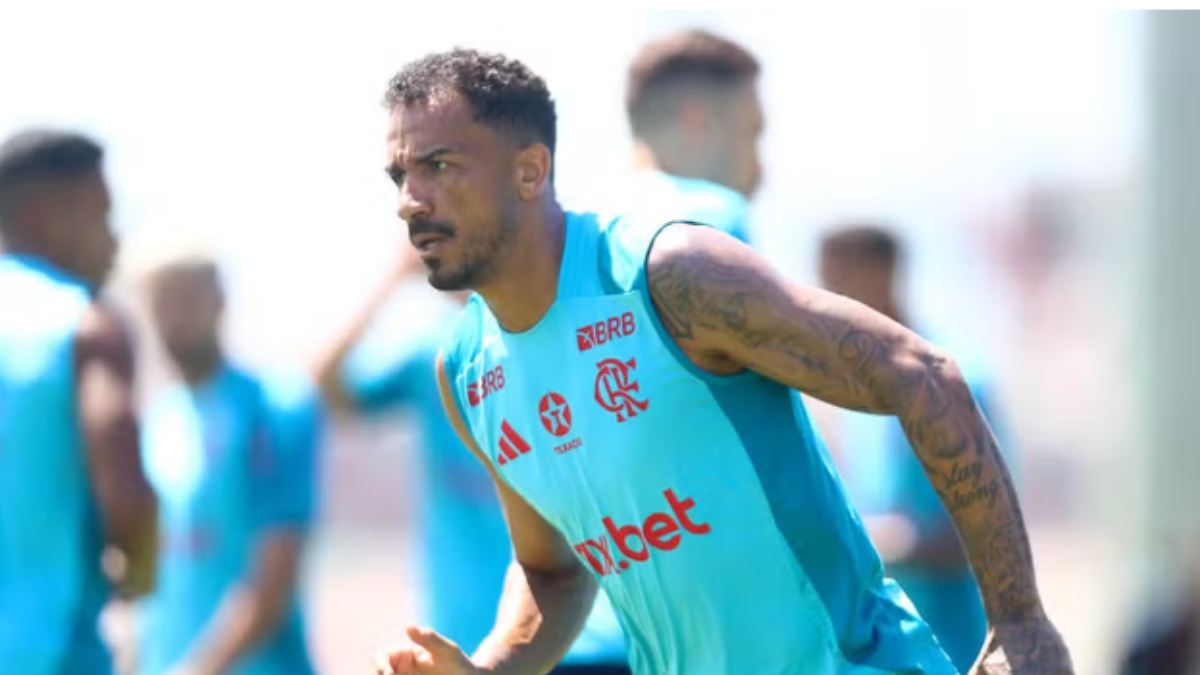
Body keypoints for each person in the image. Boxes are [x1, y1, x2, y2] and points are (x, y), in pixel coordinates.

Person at [372, 48, 1073, 675]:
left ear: (530, 171)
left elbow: (921, 374)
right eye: (400, 174)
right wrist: (487, 670)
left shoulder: (670, 276)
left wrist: (1019, 623)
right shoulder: (465, 372)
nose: (410, 202)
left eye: (440, 166)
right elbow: (553, 571)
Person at [0, 129, 159, 675]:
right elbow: (128, 502)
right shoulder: (86, 328)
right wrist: (140, 569)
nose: (114, 242)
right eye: (101, 217)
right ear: (44, 216)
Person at [817, 224, 1008, 673]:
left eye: (840, 284)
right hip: (882, 653)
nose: (826, 305)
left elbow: (989, 532)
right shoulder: (850, 390)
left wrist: (872, 543)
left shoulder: (952, 378)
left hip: (955, 647)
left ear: (883, 273)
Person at [313, 239, 512, 659]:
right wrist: (392, 279)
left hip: (558, 628)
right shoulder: (433, 352)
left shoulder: (546, 345)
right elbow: (327, 388)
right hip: (459, 629)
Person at [130, 242, 322, 675]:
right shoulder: (159, 418)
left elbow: (273, 573)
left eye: (187, 297)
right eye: (162, 301)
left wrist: (198, 669)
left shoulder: (275, 407)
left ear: (219, 298)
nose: (175, 317)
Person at [616, 29, 762, 245]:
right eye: (749, 134)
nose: (759, 168)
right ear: (699, 124)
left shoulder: (582, 225)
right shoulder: (714, 219)